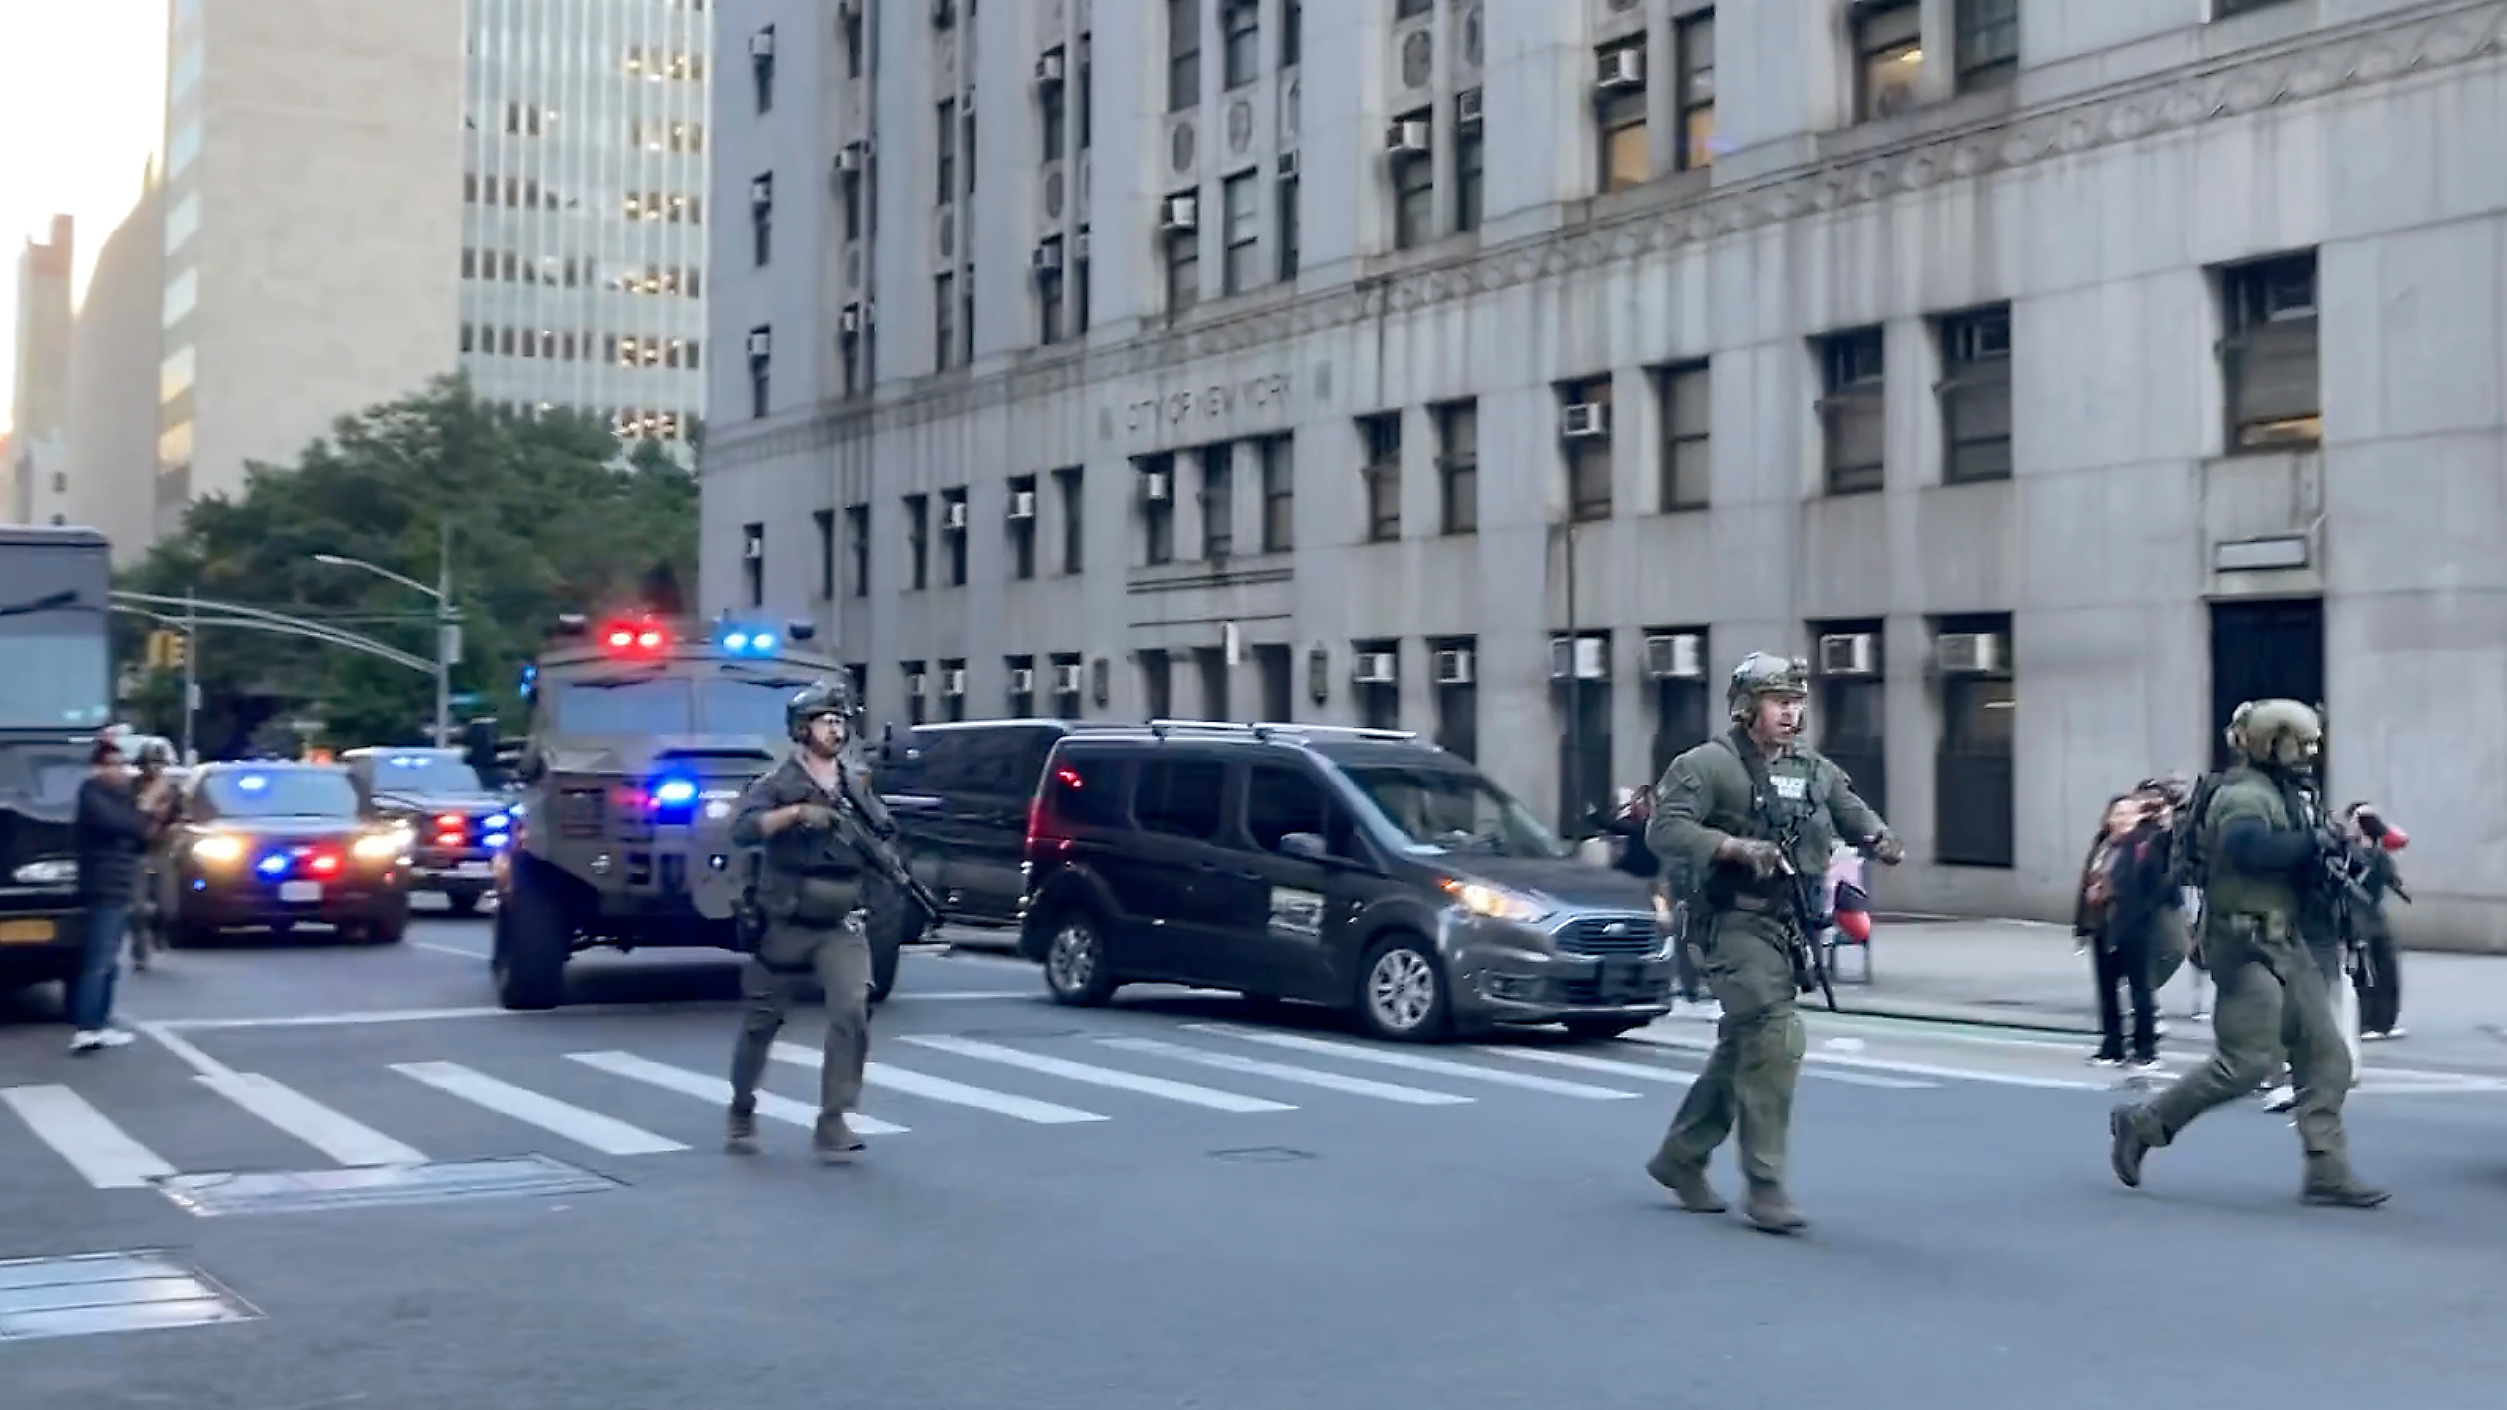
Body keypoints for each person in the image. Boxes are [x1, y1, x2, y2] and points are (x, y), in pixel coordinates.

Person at [1640, 652, 1904, 1234]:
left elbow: (1848, 809)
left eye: (1796, 702)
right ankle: (1765, 1184)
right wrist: (1731, 847)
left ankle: (1680, 1157)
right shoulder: (1706, 765)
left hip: (1789, 926)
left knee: (1744, 1046)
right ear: (1746, 708)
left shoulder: (1813, 768)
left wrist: (1879, 837)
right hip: (1731, 922)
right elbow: (1665, 828)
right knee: (1777, 1035)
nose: (1791, 712)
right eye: (1778, 701)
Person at [2107, 700, 2385, 1209]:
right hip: (2242, 943)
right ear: (2271, 742)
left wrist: (2343, 852)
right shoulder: (2243, 795)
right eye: (2298, 744)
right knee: (2247, 1061)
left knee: (2328, 1058)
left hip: (2283, 939)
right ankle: (2144, 1125)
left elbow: (2300, 854)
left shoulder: (2291, 793)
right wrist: (2312, 844)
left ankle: (2328, 1171)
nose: (2307, 754)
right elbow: (2246, 846)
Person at [723, 679, 896, 1163]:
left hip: (838, 919)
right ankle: (741, 1106)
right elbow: (740, 830)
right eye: (826, 720)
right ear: (803, 729)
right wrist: (796, 814)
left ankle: (834, 1118)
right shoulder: (776, 783)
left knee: (852, 1009)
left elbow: (881, 836)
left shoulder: (854, 784)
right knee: (762, 1021)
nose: (835, 728)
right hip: (784, 918)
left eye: (841, 720)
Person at [69, 736, 152, 1052]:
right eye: (111, 765)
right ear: (96, 768)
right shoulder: (92, 795)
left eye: (121, 765)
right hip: (102, 885)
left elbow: (140, 833)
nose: (118, 771)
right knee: (99, 960)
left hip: (120, 884)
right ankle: (87, 1026)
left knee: (110, 961)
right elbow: (123, 825)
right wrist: (143, 807)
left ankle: (101, 1023)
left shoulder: (118, 796)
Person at [2075, 793, 2168, 1071]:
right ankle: (2111, 1045)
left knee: (2140, 990)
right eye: (2118, 814)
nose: (2122, 819)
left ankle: (2145, 1048)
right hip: (2102, 924)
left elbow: (2157, 881)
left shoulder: (2145, 843)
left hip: (2133, 925)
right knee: (2107, 990)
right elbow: (2087, 882)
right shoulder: (2102, 845)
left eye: (2129, 814)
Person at [2343, 803, 2408, 1041]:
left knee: (2387, 967)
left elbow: (2391, 878)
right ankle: (2364, 1021)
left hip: (2376, 915)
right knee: (2362, 969)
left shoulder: (2379, 854)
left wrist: (2376, 844)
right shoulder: (2344, 849)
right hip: (2353, 915)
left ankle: (2385, 1021)